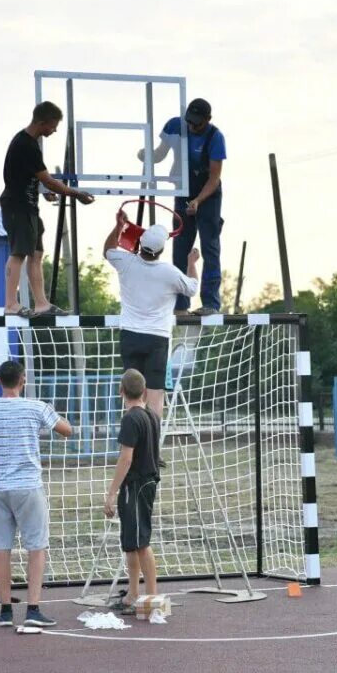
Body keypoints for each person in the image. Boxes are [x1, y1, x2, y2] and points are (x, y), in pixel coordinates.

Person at [0, 359, 74, 627]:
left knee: (0, 548)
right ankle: (33, 608)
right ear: (23, 380)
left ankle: (5, 610)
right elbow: (67, 430)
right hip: (28, 485)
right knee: (36, 546)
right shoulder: (36, 407)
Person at [0, 101, 95, 316]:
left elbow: (31, 177)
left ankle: (41, 303)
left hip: (30, 206)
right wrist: (76, 193)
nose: (54, 130)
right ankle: (10, 304)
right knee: (19, 252)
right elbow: (50, 180)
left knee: (36, 253)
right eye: (53, 126)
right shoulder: (25, 144)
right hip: (17, 206)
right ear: (42, 123)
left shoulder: (31, 144)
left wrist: (42, 190)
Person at [103, 209, 199, 419]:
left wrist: (119, 227)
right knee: (155, 398)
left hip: (130, 335)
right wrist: (191, 264)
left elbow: (108, 250)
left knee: (132, 395)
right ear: (162, 249)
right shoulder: (169, 272)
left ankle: (133, 443)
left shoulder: (126, 262)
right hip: (157, 339)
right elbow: (192, 288)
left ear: (141, 241)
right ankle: (152, 448)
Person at [139, 98, 226, 315]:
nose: (192, 126)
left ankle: (210, 303)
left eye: (197, 123)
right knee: (180, 247)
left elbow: (214, 178)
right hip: (182, 190)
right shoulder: (175, 126)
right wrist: (144, 155)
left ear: (208, 120)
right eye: (189, 121)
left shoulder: (216, 138)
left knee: (210, 247)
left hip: (208, 193)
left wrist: (198, 201)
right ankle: (180, 305)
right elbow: (159, 155)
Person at [103, 368, 162, 614]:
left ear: (121, 391)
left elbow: (125, 459)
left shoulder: (131, 418)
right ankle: (132, 594)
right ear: (145, 391)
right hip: (146, 482)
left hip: (136, 485)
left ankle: (151, 597)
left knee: (141, 542)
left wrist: (111, 493)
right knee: (131, 542)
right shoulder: (152, 416)